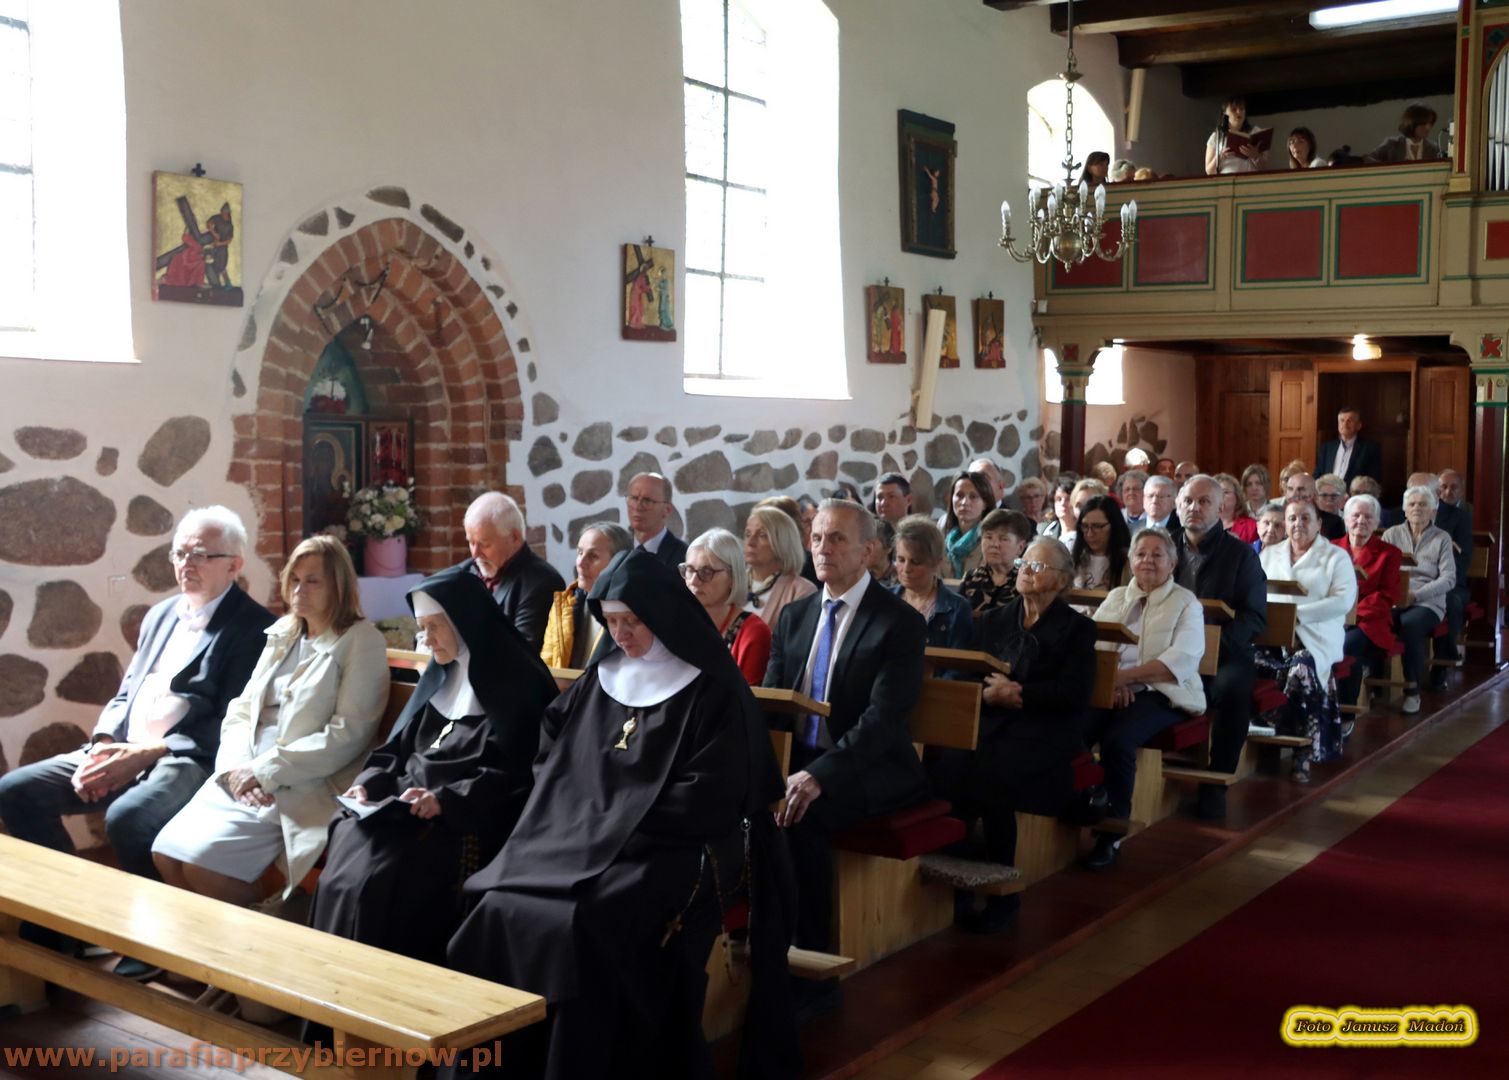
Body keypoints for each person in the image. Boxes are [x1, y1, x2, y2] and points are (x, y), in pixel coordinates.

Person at [447, 550, 796, 1080]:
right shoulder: (602, 678)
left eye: (631, 621)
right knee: (496, 903)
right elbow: (552, 750)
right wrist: (578, 809)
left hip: (670, 844)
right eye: (610, 622)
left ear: (662, 614)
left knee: (586, 918)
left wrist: (615, 820)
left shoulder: (711, 690)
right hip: (581, 840)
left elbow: (712, 792)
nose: (620, 635)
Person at [0, 507, 273, 971]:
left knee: (128, 818)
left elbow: (228, 724)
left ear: (234, 564)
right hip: (123, 745)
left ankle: (154, 943)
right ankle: (66, 925)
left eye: (201, 555)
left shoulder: (253, 628)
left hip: (186, 757)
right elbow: (127, 692)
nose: (186, 564)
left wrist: (144, 754)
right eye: (179, 553)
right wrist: (104, 744)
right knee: (16, 791)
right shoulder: (161, 614)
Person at [308, 572, 557, 966]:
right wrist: (368, 785)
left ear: (464, 621)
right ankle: (329, 981)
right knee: (347, 832)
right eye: (421, 628)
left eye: (433, 627)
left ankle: (377, 986)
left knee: (383, 872)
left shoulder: (516, 682)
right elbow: (395, 750)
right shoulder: (442, 672)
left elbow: (513, 774)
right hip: (402, 805)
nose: (426, 640)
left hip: (461, 819)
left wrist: (444, 801)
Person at [152, 536, 389, 909]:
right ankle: (213, 941)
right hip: (244, 772)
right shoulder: (284, 632)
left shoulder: (361, 641)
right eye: (294, 579)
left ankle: (266, 931)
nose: (299, 590)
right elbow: (242, 709)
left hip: (302, 780)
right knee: (165, 854)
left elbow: (349, 734)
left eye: (313, 581)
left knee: (203, 868)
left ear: (338, 586)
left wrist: (264, 771)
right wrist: (234, 770)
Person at [763, 500, 930, 965]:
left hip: (872, 766)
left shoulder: (899, 623)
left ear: (869, 550)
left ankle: (810, 959)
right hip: (803, 756)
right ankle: (754, 937)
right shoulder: (795, 617)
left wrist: (819, 775)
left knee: (802, 813)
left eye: (837, 538)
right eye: (817, 538)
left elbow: (882, 720)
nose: (822, 549)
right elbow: (772, 704)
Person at [936, 537, 1095, 932]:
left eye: (1038, 567)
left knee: (994, 774)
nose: (1026, 570)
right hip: (993, 721)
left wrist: (1020, 694)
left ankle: (1002, 893)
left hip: (1046, 729)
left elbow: (1074, 694)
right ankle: (956, 883)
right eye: (1025, 562)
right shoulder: (994, 620)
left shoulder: (1077, 629)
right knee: (948, 763)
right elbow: (968, 676)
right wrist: (990, 694)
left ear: (1061, 581)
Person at [1085, 529, 1207, 869]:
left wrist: (1124, 679)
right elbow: (1092, 647)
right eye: (1141, 554)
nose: (1148, 561)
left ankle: (1112, 833)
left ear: (1173, 563)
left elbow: (1180, 661)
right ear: (1130, 560)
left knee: (1118, 740)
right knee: (1072, 729)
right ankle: (1086, 799)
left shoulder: (1186, 603)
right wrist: (1111, 682)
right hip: (1113, 688)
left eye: (1157, 554)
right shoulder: (1115, 598)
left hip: (1164, 692)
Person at [1172, 476, 1267, 818]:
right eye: (1188, 501)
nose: (1194, 508)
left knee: (1232, 688)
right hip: (1169, 648)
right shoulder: (1164, 548)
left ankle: (1216, 781)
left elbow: (1254, 616)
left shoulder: (1240, 555)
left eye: (1204, 502)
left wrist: (1211, 647)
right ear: (1177, 505)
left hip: (1224, 651)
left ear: (1221, 507)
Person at [1257, 499, 1358, 782]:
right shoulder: (1269, 554)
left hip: (1316, 635)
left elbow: (1343, 600)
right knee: (1247, 661)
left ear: (1318, 524)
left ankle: (1302, 749)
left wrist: (1296, 617)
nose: (1297, 524)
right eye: (1291, 518)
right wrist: (1276, 622)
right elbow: (1256, 592)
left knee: (1302, 669)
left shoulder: (1336, 557)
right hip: (1273, 635)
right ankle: (1263, 730)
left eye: (1305, 518)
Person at [452, 492, 564, 652]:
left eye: (484, 544)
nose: (475, 554)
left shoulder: (543, 583)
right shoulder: (464, 572)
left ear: (514, 538)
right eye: (471, 542)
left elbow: (519, 653)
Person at [1382, 485, 1456, 714]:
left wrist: (1417, 595)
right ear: (1404, 509)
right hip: (1395, 597)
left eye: (1423, 504)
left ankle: (1412, 690)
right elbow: (1382, 570)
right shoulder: (1391, 534)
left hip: (1428, 601)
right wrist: (1396, 595)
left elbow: (1449, 579)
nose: (1417, 508)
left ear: (1433, 510)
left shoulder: (1442, 538)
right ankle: (1375, 684)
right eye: (1412, 504)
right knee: (1375, 619)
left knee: (1410, 625)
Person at [1334, 494, 1402, 711]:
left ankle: (1346, 711)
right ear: (1346, 518)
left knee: (1346, 646)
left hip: (1369, 623)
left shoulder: (1389, 553)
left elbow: (1387, 595)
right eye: (1355, 515)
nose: (1361, 521)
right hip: (1332, 617)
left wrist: (1352, 616)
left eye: (1368, 516)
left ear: (1377, 522)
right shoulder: (1331, 548)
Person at [684, 527, 771, 684]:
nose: (693, 581)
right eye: (689, 570)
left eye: (706, 572)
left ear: (732, 577)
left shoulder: (753, 632)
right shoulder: (676, 623)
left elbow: (747, 697)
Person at [540, 522, 633, 669]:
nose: (581, 563)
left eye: (593, 556)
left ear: (618, 563)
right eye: (580, 553)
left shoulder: (632, 613)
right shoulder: (564, 604)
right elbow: (548, 665)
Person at [891, 515, 972, 649]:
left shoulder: (957, 608)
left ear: (936, 564)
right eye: (901, 560)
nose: (906, 569)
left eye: (916, 562)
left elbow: (957, 659)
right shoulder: (883, 600)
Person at [743, 504, 818, 631]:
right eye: (748, 534)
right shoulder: (730, 583)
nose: (750, 542)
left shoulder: (801, 591)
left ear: (783, 542)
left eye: (762, 535)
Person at [959, 509, 1035, 613]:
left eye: (1003, 539)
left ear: (1021, 547)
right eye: (988, 537)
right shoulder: (971, 577)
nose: (994, 544)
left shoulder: (1027, 579)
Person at [1070, 494, 1131, 596]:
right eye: (1085, 526)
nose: (1090, 533)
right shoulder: (1073, 557)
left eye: (1097, 526)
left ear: (1114, 525)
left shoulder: (1129, 561)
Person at [625, 471, 688, 569]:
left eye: (647, 500)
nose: (638, 507)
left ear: (667, 509)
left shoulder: (684, 558)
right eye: (634, 498)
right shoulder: (615, 549)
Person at [1314, 408, 1382, 490]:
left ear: (1359, 425)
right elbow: (1317, 474)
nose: (1345, 424)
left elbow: (1373, 480)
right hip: (1327, 494)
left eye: (1349, 421)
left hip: (1354, 494)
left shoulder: (1369, 449)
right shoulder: (1327, 448)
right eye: (1342, 420)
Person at [942, 471, 995, 577]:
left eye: (973, 496)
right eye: (959, 495)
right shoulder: (942, 537)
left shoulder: (992, 541)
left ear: (985, 503)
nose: (964, 502)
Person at [1205, 95, 1268, 175]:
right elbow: (1209, 171)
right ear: (1225, 114)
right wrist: (1220, 157)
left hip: (1250, 180)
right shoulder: (1216, 137)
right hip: (1226, 181)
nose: (1239, 112)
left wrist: (1255, 156)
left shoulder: (1256, 132)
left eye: (1241, 109)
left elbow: (1264, 168)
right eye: (1234, 109)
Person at [1366, 103, 1445, 163]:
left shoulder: (1434, 148)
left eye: (1430, 123)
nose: (1428, 128)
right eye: (1423, 123)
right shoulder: (1392, 144)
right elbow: (1367, 158)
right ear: (1411, 123)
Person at [1282, 467, 1345, 541]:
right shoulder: (1278, 517)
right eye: (1290, 489)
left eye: (1301, 489)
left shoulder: (1333, 523)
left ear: (1314, 495)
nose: (1294, 494)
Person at [1214, 472, 1259, 544]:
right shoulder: (1203, 525)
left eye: (1225, 492)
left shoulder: (1252, 527)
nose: (1220, 495)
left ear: (1237, 496)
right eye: (1216, 492)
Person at [867, 516, 899, 588]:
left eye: (871, 543)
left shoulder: (902, 578)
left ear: (888, 547)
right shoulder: (856, 577)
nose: (865, 549)